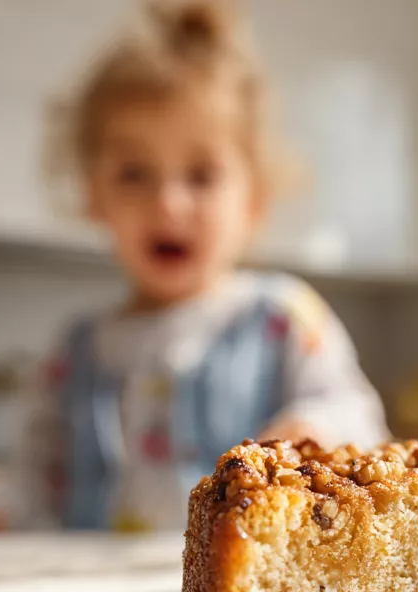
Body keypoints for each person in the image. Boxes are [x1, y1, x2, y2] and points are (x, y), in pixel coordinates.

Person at [26, 0, 388, 532]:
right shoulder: (74, 350)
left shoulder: (280, 317)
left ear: (254, 201)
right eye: (134, 174)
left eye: (201, 175)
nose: (168, 203)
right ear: (93, 195)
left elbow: (360, 419)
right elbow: (31, 483)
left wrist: (312, 429)